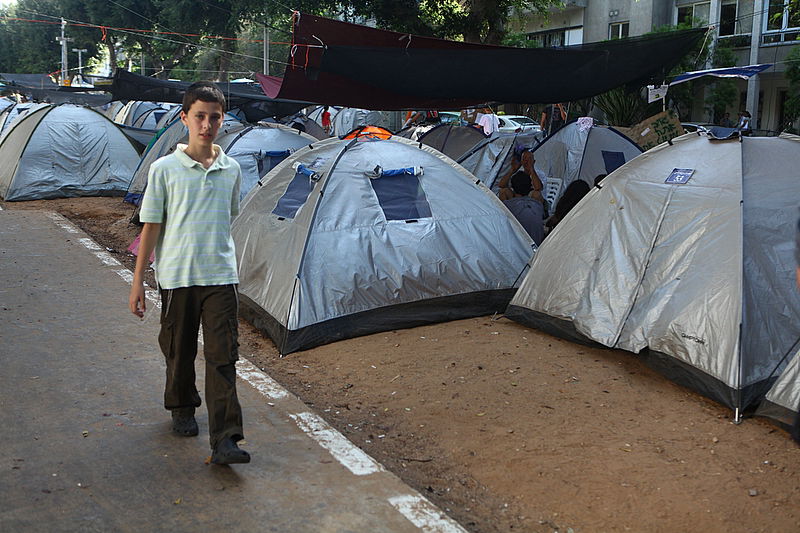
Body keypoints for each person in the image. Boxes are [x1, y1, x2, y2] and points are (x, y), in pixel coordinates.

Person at [129, 81, 250, 465]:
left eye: (214, 117)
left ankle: (226, 439)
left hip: (220, 276)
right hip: (177, 278)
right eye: (199, 116)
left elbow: (228, 218)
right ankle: (182, 405)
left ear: (223, 119)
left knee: (223, 356)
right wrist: (137, 284)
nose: (207, 124)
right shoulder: (164, 170)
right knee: (179, 351)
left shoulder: (232, 169)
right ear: (185, 118)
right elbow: (150, 226)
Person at [502, 171, 545, 245]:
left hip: (518, 248)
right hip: (537, 246)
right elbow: (538, 189)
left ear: (512, 188)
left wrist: (512, 169)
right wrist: (531, 168)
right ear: (530, 187)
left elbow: (501, 185)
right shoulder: (537, 205)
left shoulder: (506, 207)